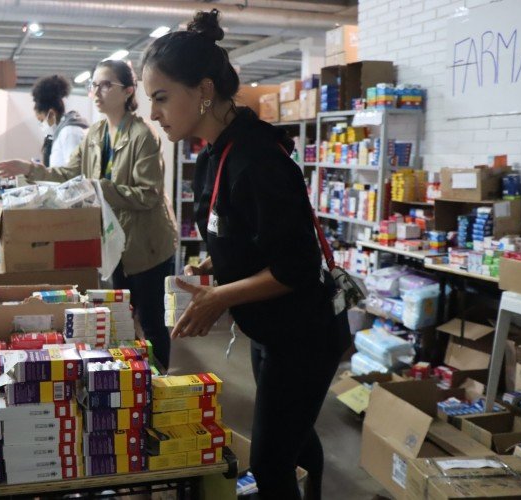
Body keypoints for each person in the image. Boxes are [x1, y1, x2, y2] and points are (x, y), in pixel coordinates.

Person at [142, 10, 350, 500]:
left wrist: (219, 298)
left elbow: (296, 266)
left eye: (161, 97)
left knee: (269, 463)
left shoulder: (254, 158)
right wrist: (218, 262)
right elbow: (245, 229)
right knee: (296, 438)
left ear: (204, 90)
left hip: (303, 332)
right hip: (268, 327)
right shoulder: (214, 152)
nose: (154, 113)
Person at [0, 60, 178, 370]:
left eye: (106, 85)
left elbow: (148, 195)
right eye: (94, 84)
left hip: (148, 246)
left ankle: (159, 383)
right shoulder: (95, 134)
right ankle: (134, 378)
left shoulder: (143, 135)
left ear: (128, 91)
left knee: (152, 321)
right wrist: (29, 169)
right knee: (121, 316)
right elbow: (67, 173)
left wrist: (98, 187)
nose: (96, 91)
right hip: (114, 242)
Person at [31, 75, 88, 167]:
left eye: (41, 121)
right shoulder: (61, 133)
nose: (41, 125)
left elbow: (74, 173)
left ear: (52, 114)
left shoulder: (69, 132)